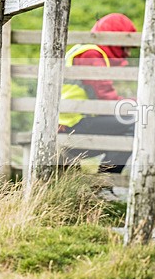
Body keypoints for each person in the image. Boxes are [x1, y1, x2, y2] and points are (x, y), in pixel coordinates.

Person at [58, 13, 137, 175]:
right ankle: (105, 181)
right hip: (72, 126)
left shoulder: (87, 50)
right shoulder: (91, 55)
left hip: (71, 123)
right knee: (135, 122)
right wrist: (136, 104)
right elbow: (105, 97)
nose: (128, 53)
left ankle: (103, 180)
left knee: (131, 120)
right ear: (115, 39)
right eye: (126, 46)